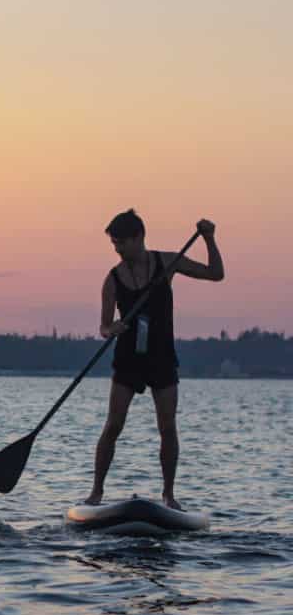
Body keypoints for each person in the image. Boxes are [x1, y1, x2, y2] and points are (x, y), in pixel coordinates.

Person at [85, 211, 224, 510]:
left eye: (121, 243)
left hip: (161, 357)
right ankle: (96, 492)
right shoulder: (112, 280)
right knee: (113, 425)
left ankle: (169, 495)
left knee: (167, 427)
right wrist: (111, 329)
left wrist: (209, 238)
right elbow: (104, 327)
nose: (117, 249)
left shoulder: (168, 263)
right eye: (114, 243)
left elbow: (216, 274)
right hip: (128, 359)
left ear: (139, 237)